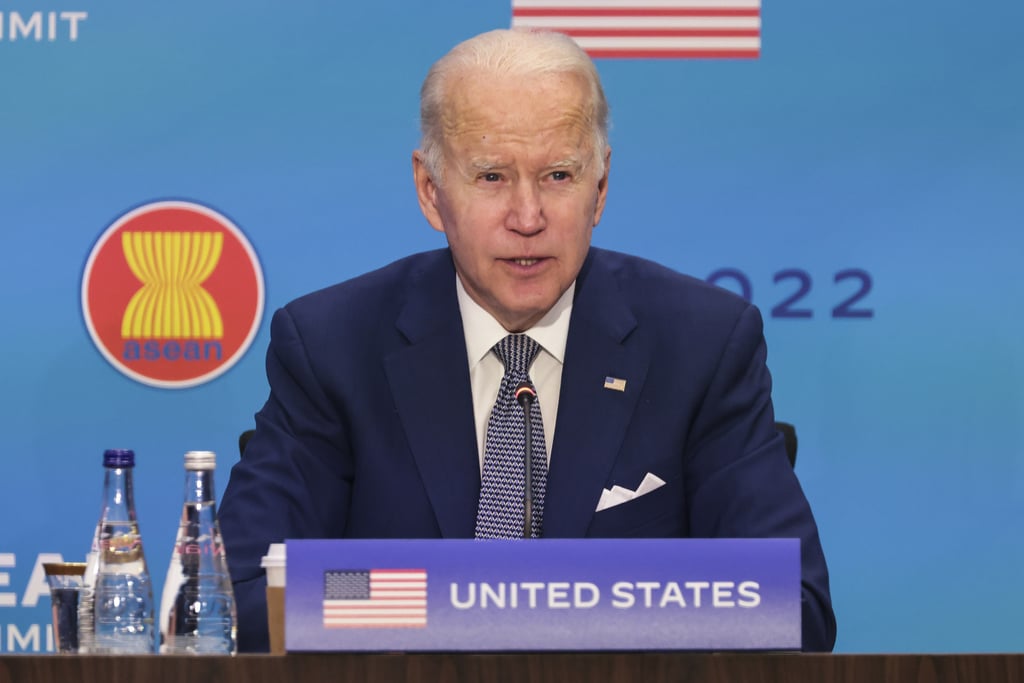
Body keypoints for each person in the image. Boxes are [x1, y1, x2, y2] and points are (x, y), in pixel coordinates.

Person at [219, 28, 836, 652]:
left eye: (558, 175)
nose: (528, 217)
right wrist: (474, 601)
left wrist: (489, 601)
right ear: (431, 191)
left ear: (599, 188)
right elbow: (242, 597)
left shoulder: (700, 346)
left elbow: (794, 609)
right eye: (491, 177)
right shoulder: (333, 346)